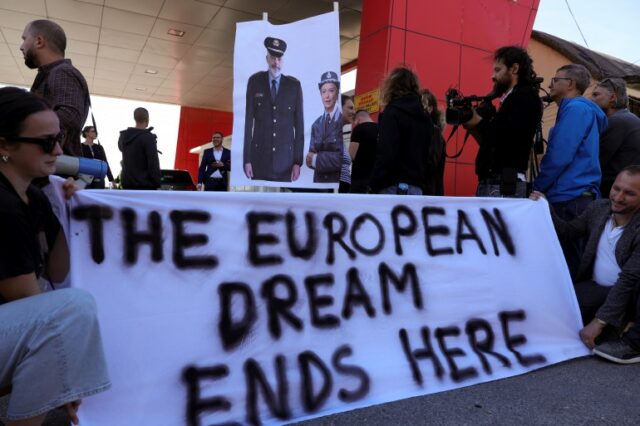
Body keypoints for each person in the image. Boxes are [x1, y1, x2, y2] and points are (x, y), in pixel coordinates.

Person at [0, 87, 111, 424]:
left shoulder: (33, 196)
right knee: (71, 311)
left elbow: (58, 270)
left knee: (71, 309)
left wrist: (65, 208)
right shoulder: (3, 207)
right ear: (5, 146)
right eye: (46, 142)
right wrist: (66, 375)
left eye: (59, 138)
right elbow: (35, 310)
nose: (59, 150)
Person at [530, 166, 640, 364]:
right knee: (550, 311)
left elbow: (629, 279)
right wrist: (545, 208)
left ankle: (633, 341)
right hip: (597, 288)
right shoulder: (598, 208)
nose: (619, 197)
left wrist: (599, 322)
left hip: (630, 293)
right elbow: (568, 232)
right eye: (616, 188)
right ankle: (617, 326)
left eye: (629, 193)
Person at [534, 64, 607, 277]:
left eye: (556, 80)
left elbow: (559, 154)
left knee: (567, 268)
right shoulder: (579, 109)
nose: (549, 84)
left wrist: (538, 186)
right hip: (576, 195)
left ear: (571, 84)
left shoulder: (576, 109)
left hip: (570, 197)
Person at [463, 45, 543, 198]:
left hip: (505, 183)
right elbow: (494, 144)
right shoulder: (512, 98)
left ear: (514, 69)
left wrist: (479, 122)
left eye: (498, 70)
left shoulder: (524, 96)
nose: (493, 77)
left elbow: (508, 138)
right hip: (496, 181)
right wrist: (474, 127)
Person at [20, 19, 90, 158]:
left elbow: (70, 116)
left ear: (39, 41)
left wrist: (20, 128)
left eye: (24, 39)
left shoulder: (62, 72)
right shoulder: (53, 73)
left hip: (56, 170)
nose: (21, 46)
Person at [243, 37, 304, 182]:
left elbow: (299, 127)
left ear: (283, 61)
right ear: (267, 58)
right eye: (272, 58)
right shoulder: (254, 82)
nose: (276, 63)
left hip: (285, 163)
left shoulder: (293, 86)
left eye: (279, 59)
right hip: (259, 161)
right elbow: (248, 124)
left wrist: (297, 162)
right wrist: (247, 160)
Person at [369, 67, 433, 195]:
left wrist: (374, 184)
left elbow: (386, 153)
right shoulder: (426, 118)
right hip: (417, 187)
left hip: (392, 185)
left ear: (391, 86)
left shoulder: (392, 112)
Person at [591, 77, 640, 198]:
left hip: (615, 193)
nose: (591, 100)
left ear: (612, 98)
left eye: (596, 95)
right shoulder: (629, 118)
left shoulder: (617, 121)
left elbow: (595, 161)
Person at [306, 72, 343, 183]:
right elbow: (309, 160)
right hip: (319, 183)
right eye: (323, 91)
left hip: (336, 184)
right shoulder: (316, 125)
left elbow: (342, 159)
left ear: (337, 93)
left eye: (331, 91)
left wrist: (317, 159)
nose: (327, 96)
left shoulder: (343, 121)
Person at [118, 107, 161, 190]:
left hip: (127, 183)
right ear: (147, 120)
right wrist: (157, 182)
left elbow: (121, 149)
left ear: (135, 118)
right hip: (145, 185)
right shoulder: (148, 137)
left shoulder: (124, 136)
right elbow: (153, 163)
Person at [421, 89, 446, 195]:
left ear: (430, 108)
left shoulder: (434, 132)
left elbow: (431, 163)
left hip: (428, 192)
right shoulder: (433, 131)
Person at [349, 109, 378, 194]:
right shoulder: (381, 128)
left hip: (360, 178)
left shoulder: (358, 129)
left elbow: (351, 155)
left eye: (355, 122)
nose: (355, 124)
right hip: (377, 178)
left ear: (358, 119)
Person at [339, 95, 355, 193]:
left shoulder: (338, 134)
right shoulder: (328, 133)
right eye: (350, 108)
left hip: (343, 189)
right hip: (334, 191)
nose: (354, 112)